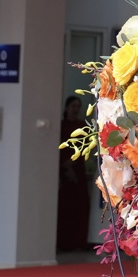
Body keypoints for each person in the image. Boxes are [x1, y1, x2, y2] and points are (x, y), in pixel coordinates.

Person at [57, 95, 91, 251]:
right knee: (65, 207)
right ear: (67, 108)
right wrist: (66, 165)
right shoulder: (61, 125)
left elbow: (86, 148)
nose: (76, 109)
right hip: (63, 170)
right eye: (73, 106)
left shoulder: (82, 126)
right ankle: (64, 242)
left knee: (80, 206)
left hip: (78, 169)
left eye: (78, 106)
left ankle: (78, 242)